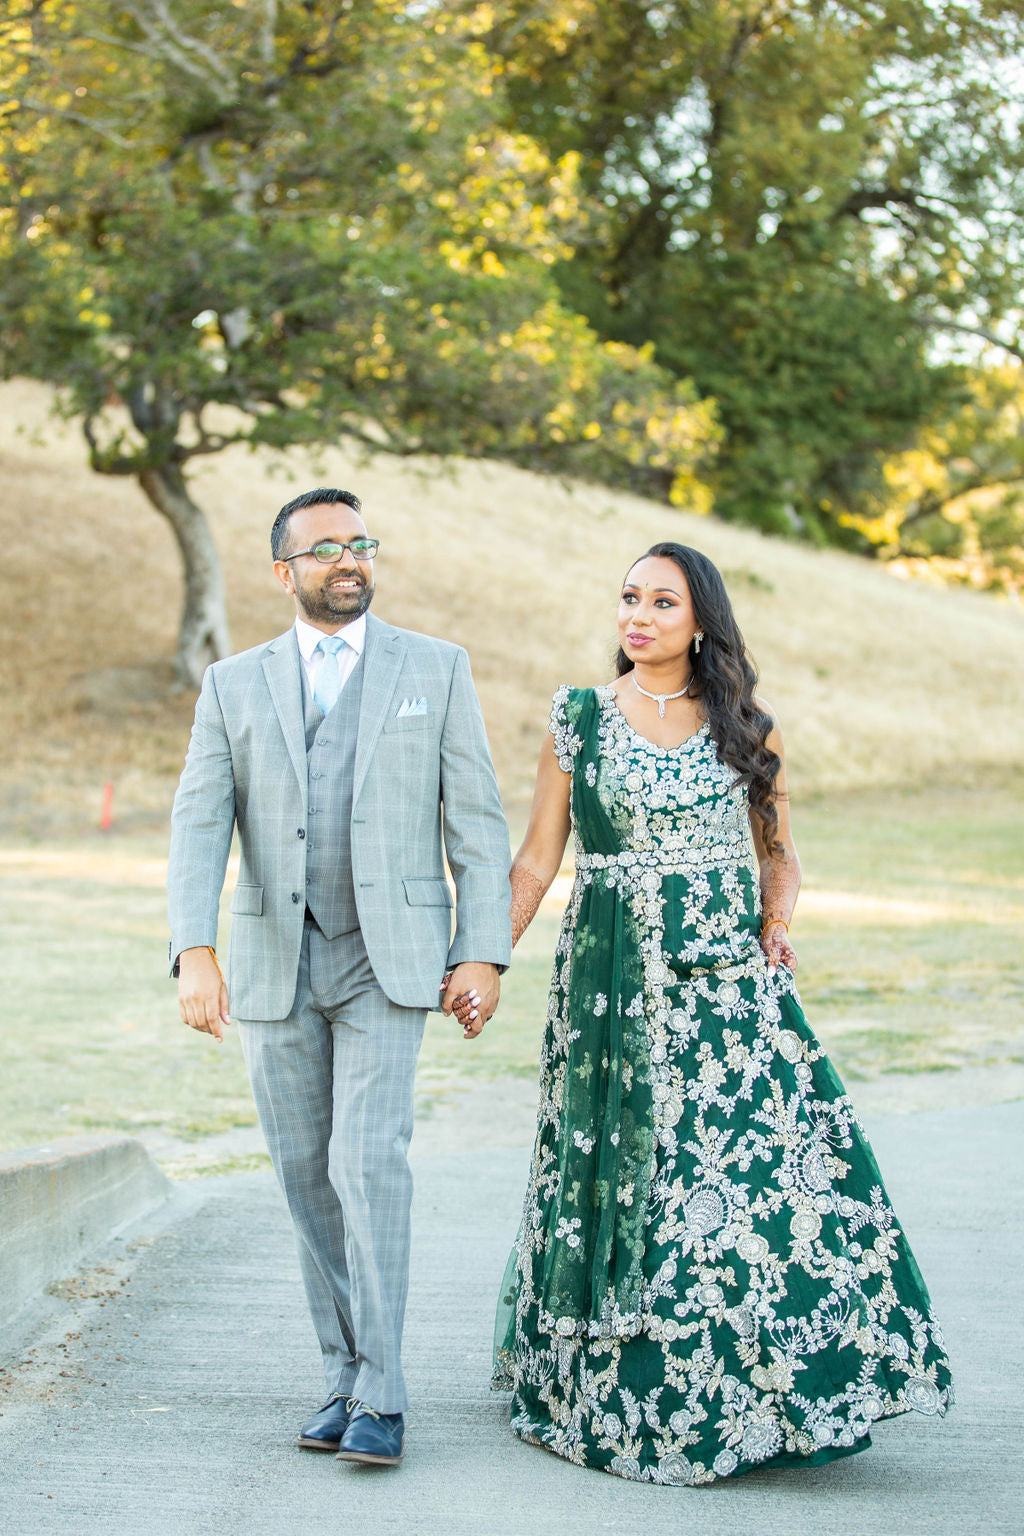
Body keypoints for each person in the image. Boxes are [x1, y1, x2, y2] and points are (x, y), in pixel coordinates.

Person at [482, 541, 953, 1483]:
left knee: (753, 1181)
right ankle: (627, 1386)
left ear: (702, 621)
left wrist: (776, 925)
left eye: (663, 601)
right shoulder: (577, 720)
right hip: (613, 990)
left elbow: (780, 854)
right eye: (629, 598)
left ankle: (769, 1386)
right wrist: (486, 956)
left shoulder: (746, 726)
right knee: (634, 1177)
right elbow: (538, 858)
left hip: (729, 989)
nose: (640, 616)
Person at [168, 488, 511, 1468]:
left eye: (360, 542)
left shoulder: (434, 669)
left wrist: (480, 947)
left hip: (388, 959)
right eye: (324, 549)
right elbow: (199, 823)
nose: (349, 559)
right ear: (284, 572)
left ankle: (386, 1395)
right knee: (304, 1175)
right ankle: (344, 1375)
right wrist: (194, 949)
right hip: (275, 959)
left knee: (369, 1164)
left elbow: (476, 822)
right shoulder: (232, 685)